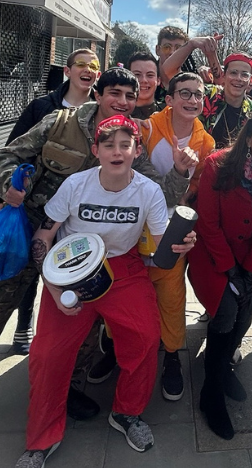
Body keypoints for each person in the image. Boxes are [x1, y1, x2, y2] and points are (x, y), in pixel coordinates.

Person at [0, 68, 194, 465]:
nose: (124, 101)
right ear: (98, 94)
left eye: (131, 96)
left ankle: (71, 394)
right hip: (26, 232)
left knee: (83, 333)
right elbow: (8, 154)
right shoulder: (58, 121)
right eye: (116, 93)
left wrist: (181, 174)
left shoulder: (131, 144)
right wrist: (8, 186)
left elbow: (154, 196)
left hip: (81, 255)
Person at [15, 115, 195, 467]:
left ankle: (127, 413)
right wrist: (52, 289)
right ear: (96, 150)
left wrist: (181, 244)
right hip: (69, 271)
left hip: (122, 267)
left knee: (145, 337)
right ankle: (40, 439)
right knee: (47, 354)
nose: (117, 152)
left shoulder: (148, 190)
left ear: (135, 150)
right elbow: (43, 238)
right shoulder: (76, 185)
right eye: (108, 145)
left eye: (124, 145)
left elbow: (161, 249)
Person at [89, 72, 215, 402]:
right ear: (169, 99)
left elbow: (192, 195)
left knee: (172, 300)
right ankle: (116, 350)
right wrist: (176, 171)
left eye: (198, 95)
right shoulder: (143, 130)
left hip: (170, 234)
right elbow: (139, 183)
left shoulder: (206, 144)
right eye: (184, 93)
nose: (192, 100)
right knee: (124, 297)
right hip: (128, 233)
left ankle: (172, 356)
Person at [0, 48, 102, 354]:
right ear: (67, 70)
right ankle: (23, 327)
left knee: (62, 281)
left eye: (93, 66)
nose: (87, 70)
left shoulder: (100, 113)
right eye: (81, 64)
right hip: (32, 211)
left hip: (72, 221)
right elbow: (11, 150)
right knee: (22, 273)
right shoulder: (44, 108)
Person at [187, 108, 252, 440]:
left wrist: (250, 273)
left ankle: (222, 368)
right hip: (210, 253)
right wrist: (229, 269)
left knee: (246, 313)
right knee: (226, 313)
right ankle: (211, 393)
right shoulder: (217, 165)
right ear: (248, 138)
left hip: (248, 257)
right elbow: (208, 223)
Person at [128, 51, 162, 119]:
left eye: (150, 75)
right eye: (137, 74)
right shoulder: (118, 112)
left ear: (158, 80)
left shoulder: (169, 113)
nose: (144, 80)